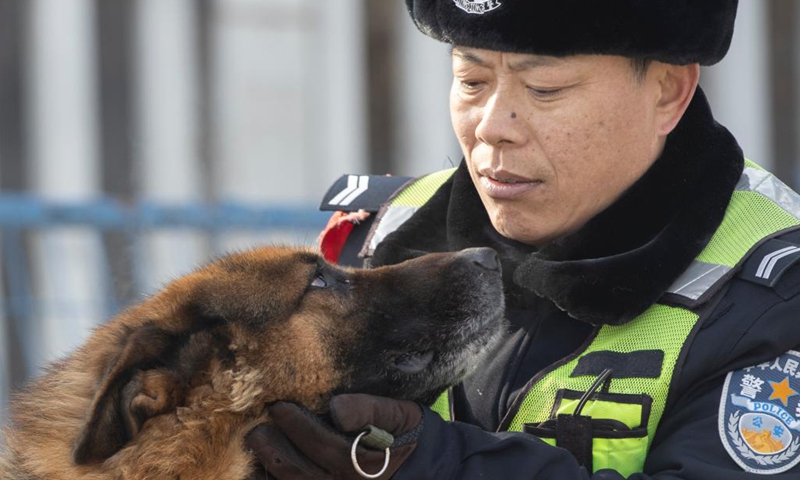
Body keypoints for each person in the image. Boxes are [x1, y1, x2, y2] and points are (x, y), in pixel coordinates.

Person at [246, 0, 800, 478]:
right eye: (471, 80)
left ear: (667, 91)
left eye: (544, 88)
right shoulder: (380, 235)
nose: (492, 125)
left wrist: (439, 466)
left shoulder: (772, 296)